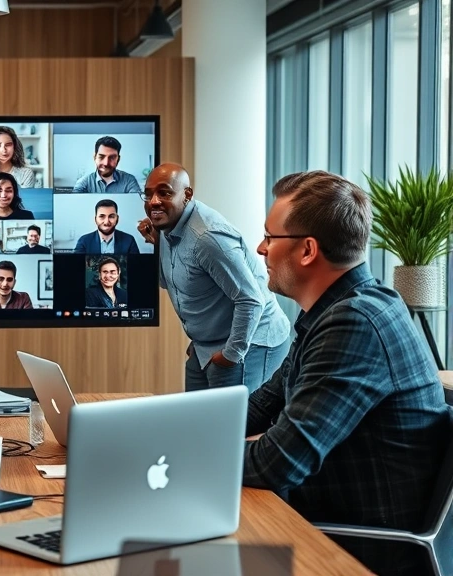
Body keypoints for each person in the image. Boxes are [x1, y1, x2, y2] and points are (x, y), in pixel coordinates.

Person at [244, 170, 450, 575]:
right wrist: (184, 429)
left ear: (307, 250)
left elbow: (279, 462)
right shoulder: (333, 312)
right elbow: (260, 407)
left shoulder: (355, 322)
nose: (260, 248)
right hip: (322, 520)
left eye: (270, 237)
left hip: (357, 549)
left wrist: (191, 453)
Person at [137, 163, 290, 393]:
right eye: (148, 195)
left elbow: (251, 299)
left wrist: (230, 354)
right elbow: (167, 282)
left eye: (164, 192)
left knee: (235, 427)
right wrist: (156, 245)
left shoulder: (208, 238)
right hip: (206, 346)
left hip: (251, 341)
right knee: (198, 422)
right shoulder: (168, 228)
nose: (154, 202)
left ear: (187, 195)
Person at [71, 136, 142, 195]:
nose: (106, 163)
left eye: (112, 157)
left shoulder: (129, 180)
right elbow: (74, 206)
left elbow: (137, 206)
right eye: (101, 157)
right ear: (94, 157)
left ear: (118, 159)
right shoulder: (84, 182)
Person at [74, 199, 140, 255]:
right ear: (95, 219)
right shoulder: (84, 241)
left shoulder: (129, 240)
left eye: (111, 216)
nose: (106, 222)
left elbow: (135, 267)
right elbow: (77, 267)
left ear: (117, 219)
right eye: (102, 216)